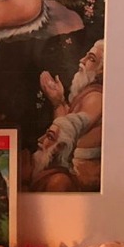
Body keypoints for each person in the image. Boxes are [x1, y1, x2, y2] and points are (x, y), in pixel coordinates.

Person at [35, 40, 104, 190]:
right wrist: (58, 101)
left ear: (102, 71)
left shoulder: (95, 98)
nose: (82, 61)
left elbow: (69, 128)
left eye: (91, 59)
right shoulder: (87, 93)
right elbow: (66, 125)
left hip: (81, 176)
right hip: (70, 168)